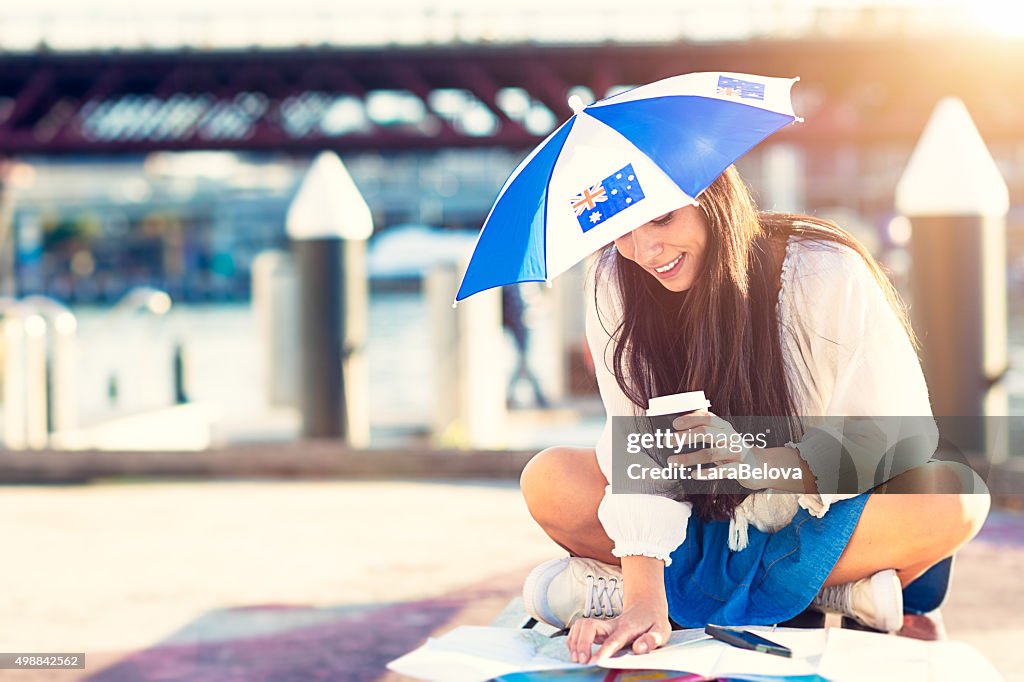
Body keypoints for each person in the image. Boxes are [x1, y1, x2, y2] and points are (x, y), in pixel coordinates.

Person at [518, 165, 990, 664]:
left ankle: (689, 592)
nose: (644, 251)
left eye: (660, 219)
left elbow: (897, 438)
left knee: (955, 495)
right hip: (698, 524)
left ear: (713, 198)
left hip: (814, 517)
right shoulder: (614, 279)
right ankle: (835, 592)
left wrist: (759, 464)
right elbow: (633, 444)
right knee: (551, 479)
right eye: (619, 232)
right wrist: (640, 600)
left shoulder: (822, 270)